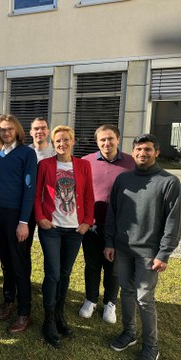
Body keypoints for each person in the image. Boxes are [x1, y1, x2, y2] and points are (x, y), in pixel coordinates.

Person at [104, 134, 180, 360]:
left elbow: (173, 222)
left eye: (147, 150)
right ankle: (129, 333)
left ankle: (151, 346)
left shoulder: (169, 182)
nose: (142, 153)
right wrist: (109, 241)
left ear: (156, 152)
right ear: (133, 151)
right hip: (123, 249)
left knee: (144, 298)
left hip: (149, 253)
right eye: (138, 149)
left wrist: (164, 253)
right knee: (126, 292)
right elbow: (113, 213)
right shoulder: (123, 180)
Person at [34, 125, 94, 348]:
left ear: (73, 141)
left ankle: (60, 314)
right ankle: (48, 319)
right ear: (53, 143)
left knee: (66, 273)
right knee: (52, 273)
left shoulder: (83, 165)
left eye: (66, 140)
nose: (62, 144)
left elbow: (89, 195)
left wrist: (87, 221)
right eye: (58, 141)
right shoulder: (45, 165)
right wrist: (40, 217)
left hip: (74, 230)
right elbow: (36, 193)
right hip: (51, 228)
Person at [79, 125, 135, 323]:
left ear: (118, 139)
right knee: (92, 264)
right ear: (97, 142)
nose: (106, 143)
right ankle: (90, 299)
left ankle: (110, 302)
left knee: (113, 266)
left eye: (110, 138)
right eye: (102, 140)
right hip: (92, 224)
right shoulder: (86, 162)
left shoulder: (131, 162)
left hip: (120, 226)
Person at [0, 114, 37, 333]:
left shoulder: (27, 153)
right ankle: (9, 300)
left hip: (16, 216)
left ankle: (24, 312)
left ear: (17, 130)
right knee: (6, 263)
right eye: (2, 130)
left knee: (19, 265)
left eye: (10, 129)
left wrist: (23, 221)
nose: (6, 132)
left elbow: (30, 189)